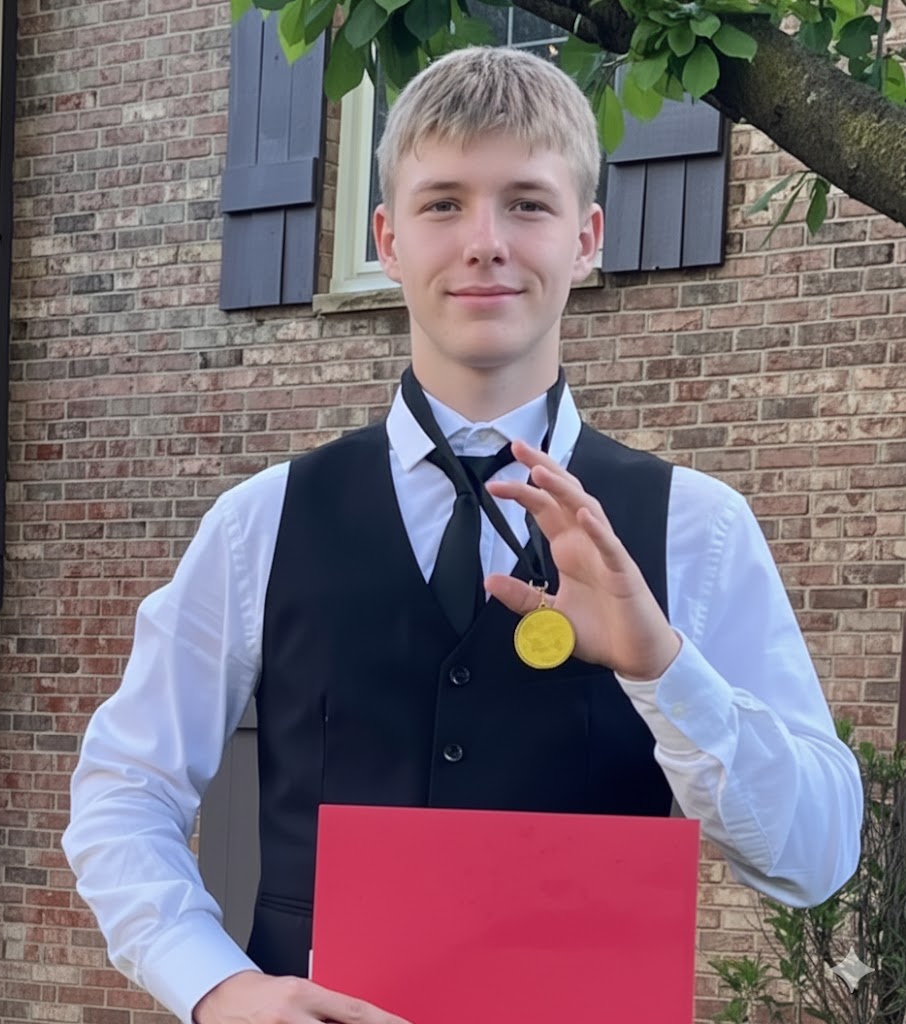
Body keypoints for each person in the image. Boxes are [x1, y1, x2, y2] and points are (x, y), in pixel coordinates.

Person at [63, 45, 863, 1024]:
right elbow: (123, 787)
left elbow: (814, 857)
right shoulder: (259, 521)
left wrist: (664, 668)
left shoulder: (696, 528)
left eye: (525, 202)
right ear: (387, 239)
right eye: (443, 204)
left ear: (585, 238)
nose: (484, 239)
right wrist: (218, 986)